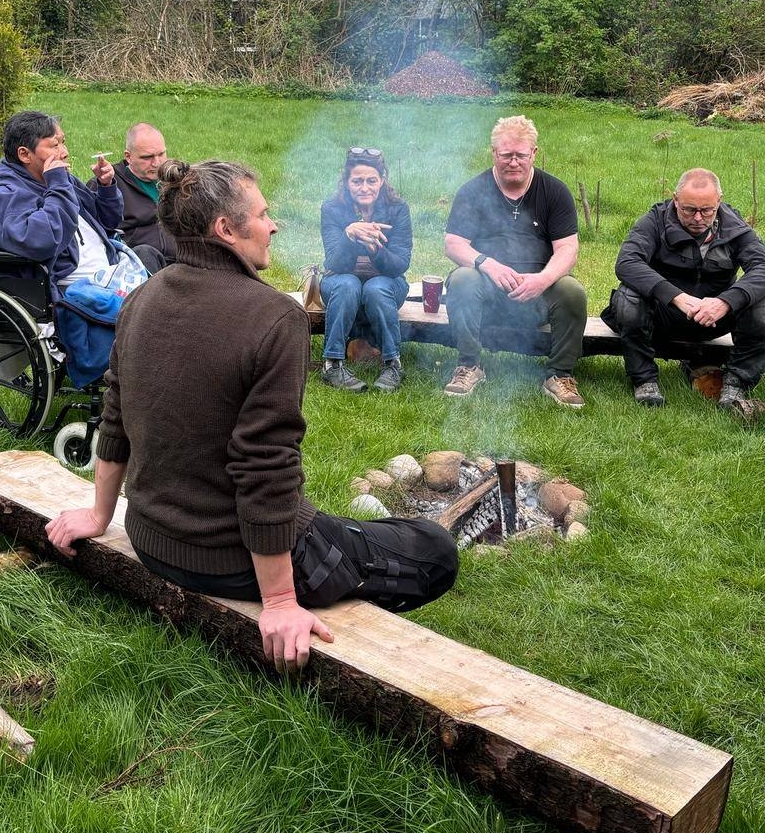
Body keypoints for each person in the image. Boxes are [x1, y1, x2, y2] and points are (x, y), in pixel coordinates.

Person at [45, 159, 458, 673]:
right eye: (262, 215)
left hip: (153, 540)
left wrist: (99, 515)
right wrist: (280, 601)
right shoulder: (276, 317)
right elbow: (264, 464)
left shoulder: (142, 297)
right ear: (226, 229)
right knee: (434, 550)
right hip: (230, 559)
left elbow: (115, 417)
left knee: (354, 532)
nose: (273, 225)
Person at [602, 167, 765, 409]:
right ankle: (644, 380)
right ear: (675, 200)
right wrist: (675, 296)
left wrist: (725, 302)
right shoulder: (654, 221)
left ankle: (736, 383)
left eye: (707, 210)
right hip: (663, 316)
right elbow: (627, 262)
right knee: (629, 296)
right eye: (689, 210)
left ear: (719, 201)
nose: (698, 218)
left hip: (715, 319)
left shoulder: (735, 228)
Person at [442, 114, 587, 406]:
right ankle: (469, 366)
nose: (513, 162)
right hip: (489, 294)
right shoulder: (473, 191)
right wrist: (488, 264)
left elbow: (568, 249)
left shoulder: (555, 191)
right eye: (506, 155)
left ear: (534, 153)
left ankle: (559, 375)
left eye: (520, 155)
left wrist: (543, 279)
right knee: (462, 278)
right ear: (493, 152)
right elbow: (453, 244)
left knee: (572, 290)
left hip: (538, 294)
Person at [0, 110, 124, 293]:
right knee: (146, 306)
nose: (65, 152)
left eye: (63, 142)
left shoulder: (60, 180)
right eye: (55, 145)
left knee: (149, 259)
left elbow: (109, 222)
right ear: (24, 154)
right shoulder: (6, 193)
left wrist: (106, 187)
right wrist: (58, 186)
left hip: (107, 273)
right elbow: (41, 242)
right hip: (69, 288)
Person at [318, 147, 413, 393]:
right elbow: (334, 264)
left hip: (386, 285)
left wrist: (374, 248)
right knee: (347, 284)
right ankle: (332, 365)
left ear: (382, 180)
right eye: (357, 181)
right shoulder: (332, 208)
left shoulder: (397, 208)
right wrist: (349, 235)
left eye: (371, 180)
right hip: (340, 284)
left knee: (376, 288)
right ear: (346, 182)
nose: (364, 187)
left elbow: (400, 264)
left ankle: (392, 364)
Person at [97, 122, 177, 275]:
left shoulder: (175, 179)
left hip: (182, 260)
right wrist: (106, 188)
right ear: (128, 156)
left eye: (161, 154)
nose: (157, 163)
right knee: (144, 253)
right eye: (147, 157)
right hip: (139, 266)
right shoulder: (108, 183)